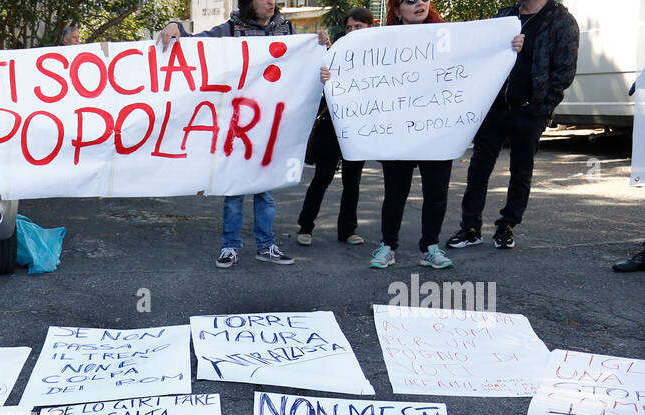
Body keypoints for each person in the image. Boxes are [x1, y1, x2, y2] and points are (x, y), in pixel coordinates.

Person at [158, 0, 330, 268]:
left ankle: (266, 245)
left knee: (265, 190)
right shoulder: (230, 30)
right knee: (235, 190)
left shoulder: (287, 29)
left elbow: (304, 67)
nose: (271, 2)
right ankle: (230, 246)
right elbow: (193, 44)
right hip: (237, 126)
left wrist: (319, 45)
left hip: (272, 126)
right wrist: (174, 25)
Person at [368, 0, 525, 270]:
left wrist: (507, 46)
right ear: (396, 10)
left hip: (437, 130)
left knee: (436, 193)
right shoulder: (384, 42)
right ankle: (387, 246)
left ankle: (430, 247)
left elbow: (478, 56)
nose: (419, 3)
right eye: (410, 0)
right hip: (399, 130)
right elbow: (361, 72)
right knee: (395, 193)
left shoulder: (451, 37)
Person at [446, 0, 579, 251]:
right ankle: (470, 228)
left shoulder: (561, 21)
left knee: (520, 171)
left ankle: (507, 225)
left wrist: (542, 108)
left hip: (530, 111)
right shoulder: (505, 16)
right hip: (494, 108)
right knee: (478, 169)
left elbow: (565, 70)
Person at [298, 7, 375, 247]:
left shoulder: (378, 54)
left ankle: (348, 230)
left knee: (353, 182)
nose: (352, 31)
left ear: (370, 27)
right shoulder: (334, 51)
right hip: (331, 126)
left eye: (358, 26)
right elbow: (315, 70)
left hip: (357, 127)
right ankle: (305, 227)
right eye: (349, 27)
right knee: (322, 177)